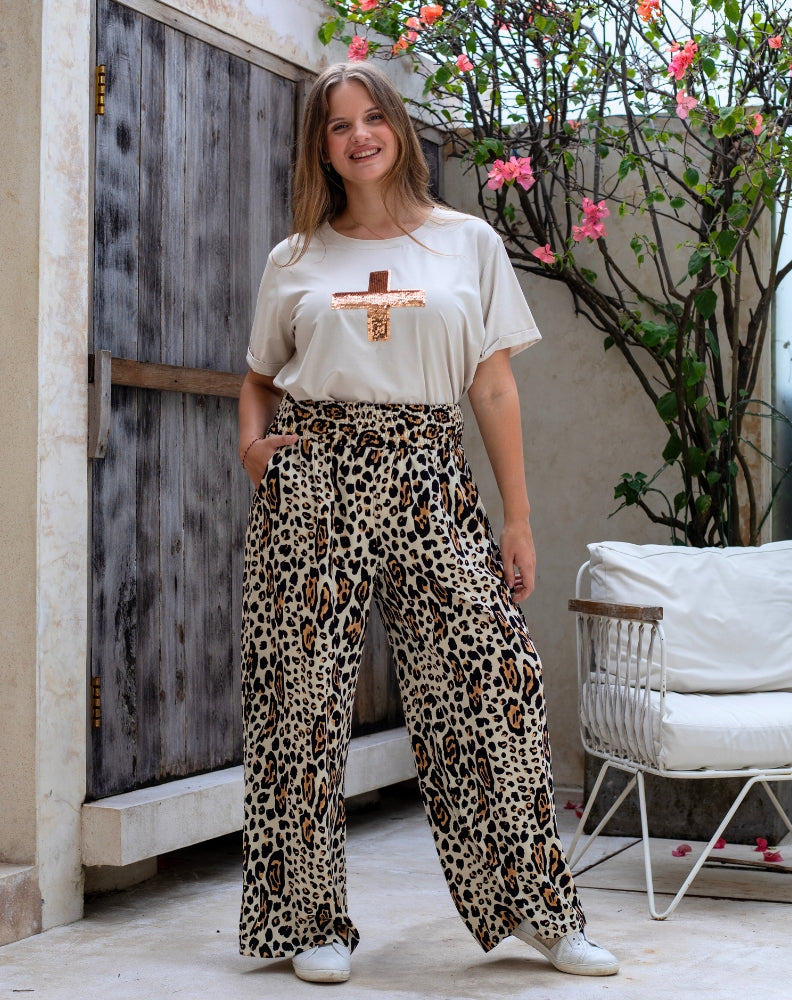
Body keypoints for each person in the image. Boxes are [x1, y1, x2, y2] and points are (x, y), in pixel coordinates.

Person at [236, 60, 618, 985]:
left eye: (373, 118)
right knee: (299, 701)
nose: (358, 136)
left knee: (494, 676)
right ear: (318, 146)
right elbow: (256, 375)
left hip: (428, 473)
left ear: (398, 129)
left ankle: (537, 907)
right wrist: (255, 447)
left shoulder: (467, 242)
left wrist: (518, 522)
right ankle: (308, 921)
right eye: (338, 125)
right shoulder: (295, 257)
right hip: (315, 474)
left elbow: (491, 384)